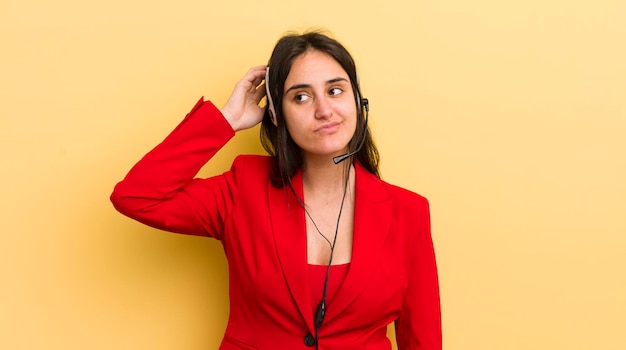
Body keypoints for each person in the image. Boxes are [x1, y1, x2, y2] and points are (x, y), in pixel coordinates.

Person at [111, 31, 441, 350]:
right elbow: (137, 196)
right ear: (276, 115)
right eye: (301, 96)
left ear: (357, 101)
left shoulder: (408, 212)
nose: (323, 110)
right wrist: (227, 119)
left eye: (336, 91)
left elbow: (422, 341)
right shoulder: (242, 188)